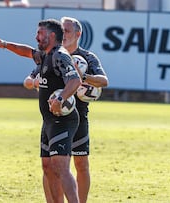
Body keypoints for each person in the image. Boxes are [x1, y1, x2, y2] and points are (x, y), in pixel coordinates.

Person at [9, 17, 109, 203]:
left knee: (79, 164)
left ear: (78, 34)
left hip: (76, 116)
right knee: (51, 166)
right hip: (53, 117)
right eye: (62, 30)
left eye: (68, 31)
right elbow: (29, 80)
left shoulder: (86, 57)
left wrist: (84, 76)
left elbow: (103, 81)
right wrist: (34, 82)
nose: (65, 35)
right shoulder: (49, 55)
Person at [0, 18, 81, 202]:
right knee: (47, 167)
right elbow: (26, 51)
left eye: (40, 33)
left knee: (61, 168)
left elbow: (75, 80)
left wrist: (60, 98)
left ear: (52, 35)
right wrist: (5, 45)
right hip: (48, 121)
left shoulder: (60, 55)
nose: (36, 37)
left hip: (62, 121)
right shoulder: (45, 55)